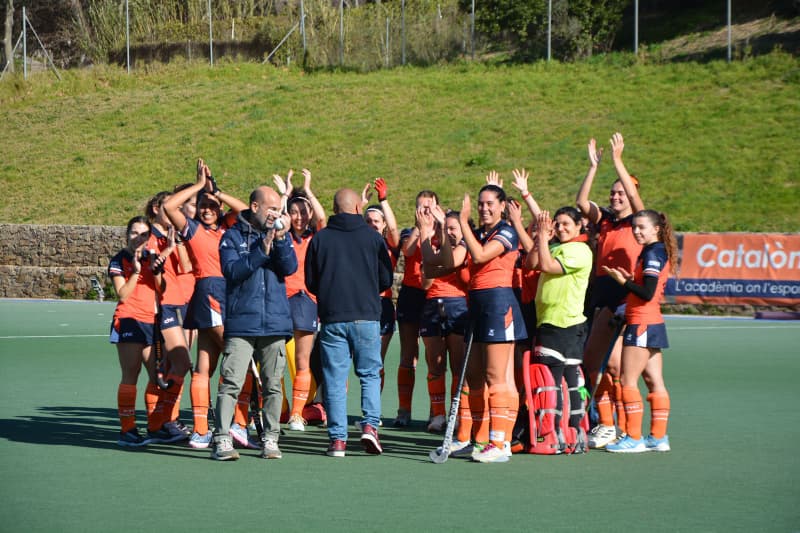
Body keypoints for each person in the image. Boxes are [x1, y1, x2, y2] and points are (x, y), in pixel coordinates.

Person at [163, 160, 248, 449]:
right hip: (210, 293)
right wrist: (198, 186)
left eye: (212, 205)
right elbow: (170, 208)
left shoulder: (229, 227)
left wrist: (217, 191)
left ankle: (203, 431)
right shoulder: (193, 230)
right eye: (203, 205)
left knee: (204, 367)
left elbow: (246, 211)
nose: (208, 209)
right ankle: (237, 423)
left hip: (229, 296)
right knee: (238, 358)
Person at [305, 188, 393, 457]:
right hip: (367, 316)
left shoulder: (320, 239)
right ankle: (369, 426)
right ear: (358, 208)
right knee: (368, 374)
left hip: (333, 318)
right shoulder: (373, 238)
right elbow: (386, 280)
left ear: (334, 208)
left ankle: (338, 440)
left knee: (334, 378)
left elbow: (311, 282)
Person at [211, 186, 296, 461]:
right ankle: (222, 438)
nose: (275, 214)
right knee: (231, 383)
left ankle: (270, 438)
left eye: (277, 209)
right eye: (270, 208)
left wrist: (281, 241)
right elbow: (233, 271)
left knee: (273, 385)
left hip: (274, 323)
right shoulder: (232, 236)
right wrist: (262, 249)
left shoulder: (280, 234)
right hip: (242, 324)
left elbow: (290, 268)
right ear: (255, 207)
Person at [575, 133, 644, 449]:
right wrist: (593, 167)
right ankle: (606, 421)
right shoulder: (605, 222)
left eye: (621, 192)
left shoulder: (638, 223)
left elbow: (633, 195)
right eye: (612, 192)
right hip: (599, 296)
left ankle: (607, 424)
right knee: (600, 364)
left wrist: (618, 162)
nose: (616, 196)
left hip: (622, 298)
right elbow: (581, 203)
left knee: (608, 365)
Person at [456, 183, 527, 463]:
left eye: (489, 204)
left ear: (501, 206)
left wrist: (462, 222)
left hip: (499, 304)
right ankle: (494, 439)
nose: (484, 208)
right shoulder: (480, 233)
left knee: (498, 378)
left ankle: (499, 442)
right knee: (487, 377)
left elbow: (480, 255)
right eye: (480, 203)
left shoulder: (506, 231)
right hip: (479, 303)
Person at [604, 210, 676, 453]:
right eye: (634, 227)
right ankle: (658, 438)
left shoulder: (654, 252)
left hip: (642, 322)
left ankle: (633, 438)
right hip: (651, 321)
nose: (636, 231)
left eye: (642, 227)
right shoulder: (651, 251)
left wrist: (622, 281)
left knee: (627, 381)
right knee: (653, 381)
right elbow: (647, 287)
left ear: (656, 229)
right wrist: (630, 278)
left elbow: (646, 292)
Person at [528, 207, 594, 453]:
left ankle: (558, 433)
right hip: (550, 321)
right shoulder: (556, 246)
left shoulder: (580, 250)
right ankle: (565, 433)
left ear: (579, 226)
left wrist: (544, 239)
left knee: (557, 381)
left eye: (567, 223)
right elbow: (531, 263)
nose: (562, 228)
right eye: (558, 224)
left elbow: (545, 265)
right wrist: (541, 239)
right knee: (562, 379)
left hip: (563, 323)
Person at [277, 169, 327, 432]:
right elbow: (274, 217)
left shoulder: (315, 237)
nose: (299, 217)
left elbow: (322, 218)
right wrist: (286, 194)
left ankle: (298, 413)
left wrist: (307, 189)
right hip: (279, 300)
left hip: (306, 300)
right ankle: (278, 409)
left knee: (302, 360)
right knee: (271, 359)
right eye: (294, 212)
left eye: (302, 212)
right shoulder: (282, 234)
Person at [109, 216, 163, 446]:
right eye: (134, 233)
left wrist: (157, 269)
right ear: (127, 235)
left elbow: (163, 289)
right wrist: (136, 272)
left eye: (144, 234)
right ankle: (127, 430)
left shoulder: (154, 258)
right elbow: (122, 294)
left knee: (156, 377)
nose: (138, 238)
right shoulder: (120, 260)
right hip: (129, 320)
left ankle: (155, 426)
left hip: (152, 321)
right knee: (131, 375)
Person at [417, 206, 470, 435]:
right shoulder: (432, 248)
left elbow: (451, 263)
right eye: (444, 227)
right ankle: (438, 414)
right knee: (435, 364)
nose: (448, 232)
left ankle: (457, 414)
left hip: (459, 306)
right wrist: (426, 235)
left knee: (459, 365)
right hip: (432, 306)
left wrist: (435, 259)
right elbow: (426, 283)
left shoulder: (466, 246)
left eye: (452, 228)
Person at [394, 190, 439, 427]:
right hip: (411, 294)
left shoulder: (442, 232)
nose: (424, 211)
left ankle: (435, 412)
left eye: (429, 207)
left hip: (431, 295)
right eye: (420, 207)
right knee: (408, 355)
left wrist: (432, 230)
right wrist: (419, 228)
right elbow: (408, 251)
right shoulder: (409, 233)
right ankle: (404, 410)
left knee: (433, 357)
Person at [362, 178, 401, 392]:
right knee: (348, 360)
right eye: (367, 221)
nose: (372, 225)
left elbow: (395, 230)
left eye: (376, 221)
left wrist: (383, 200)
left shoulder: (390, 245)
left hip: (382, 306)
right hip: (357, 305)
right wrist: (361, 203)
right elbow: (351, 227)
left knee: (375, 361)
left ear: (384, 224)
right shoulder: (356, 243)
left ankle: (373, 412)